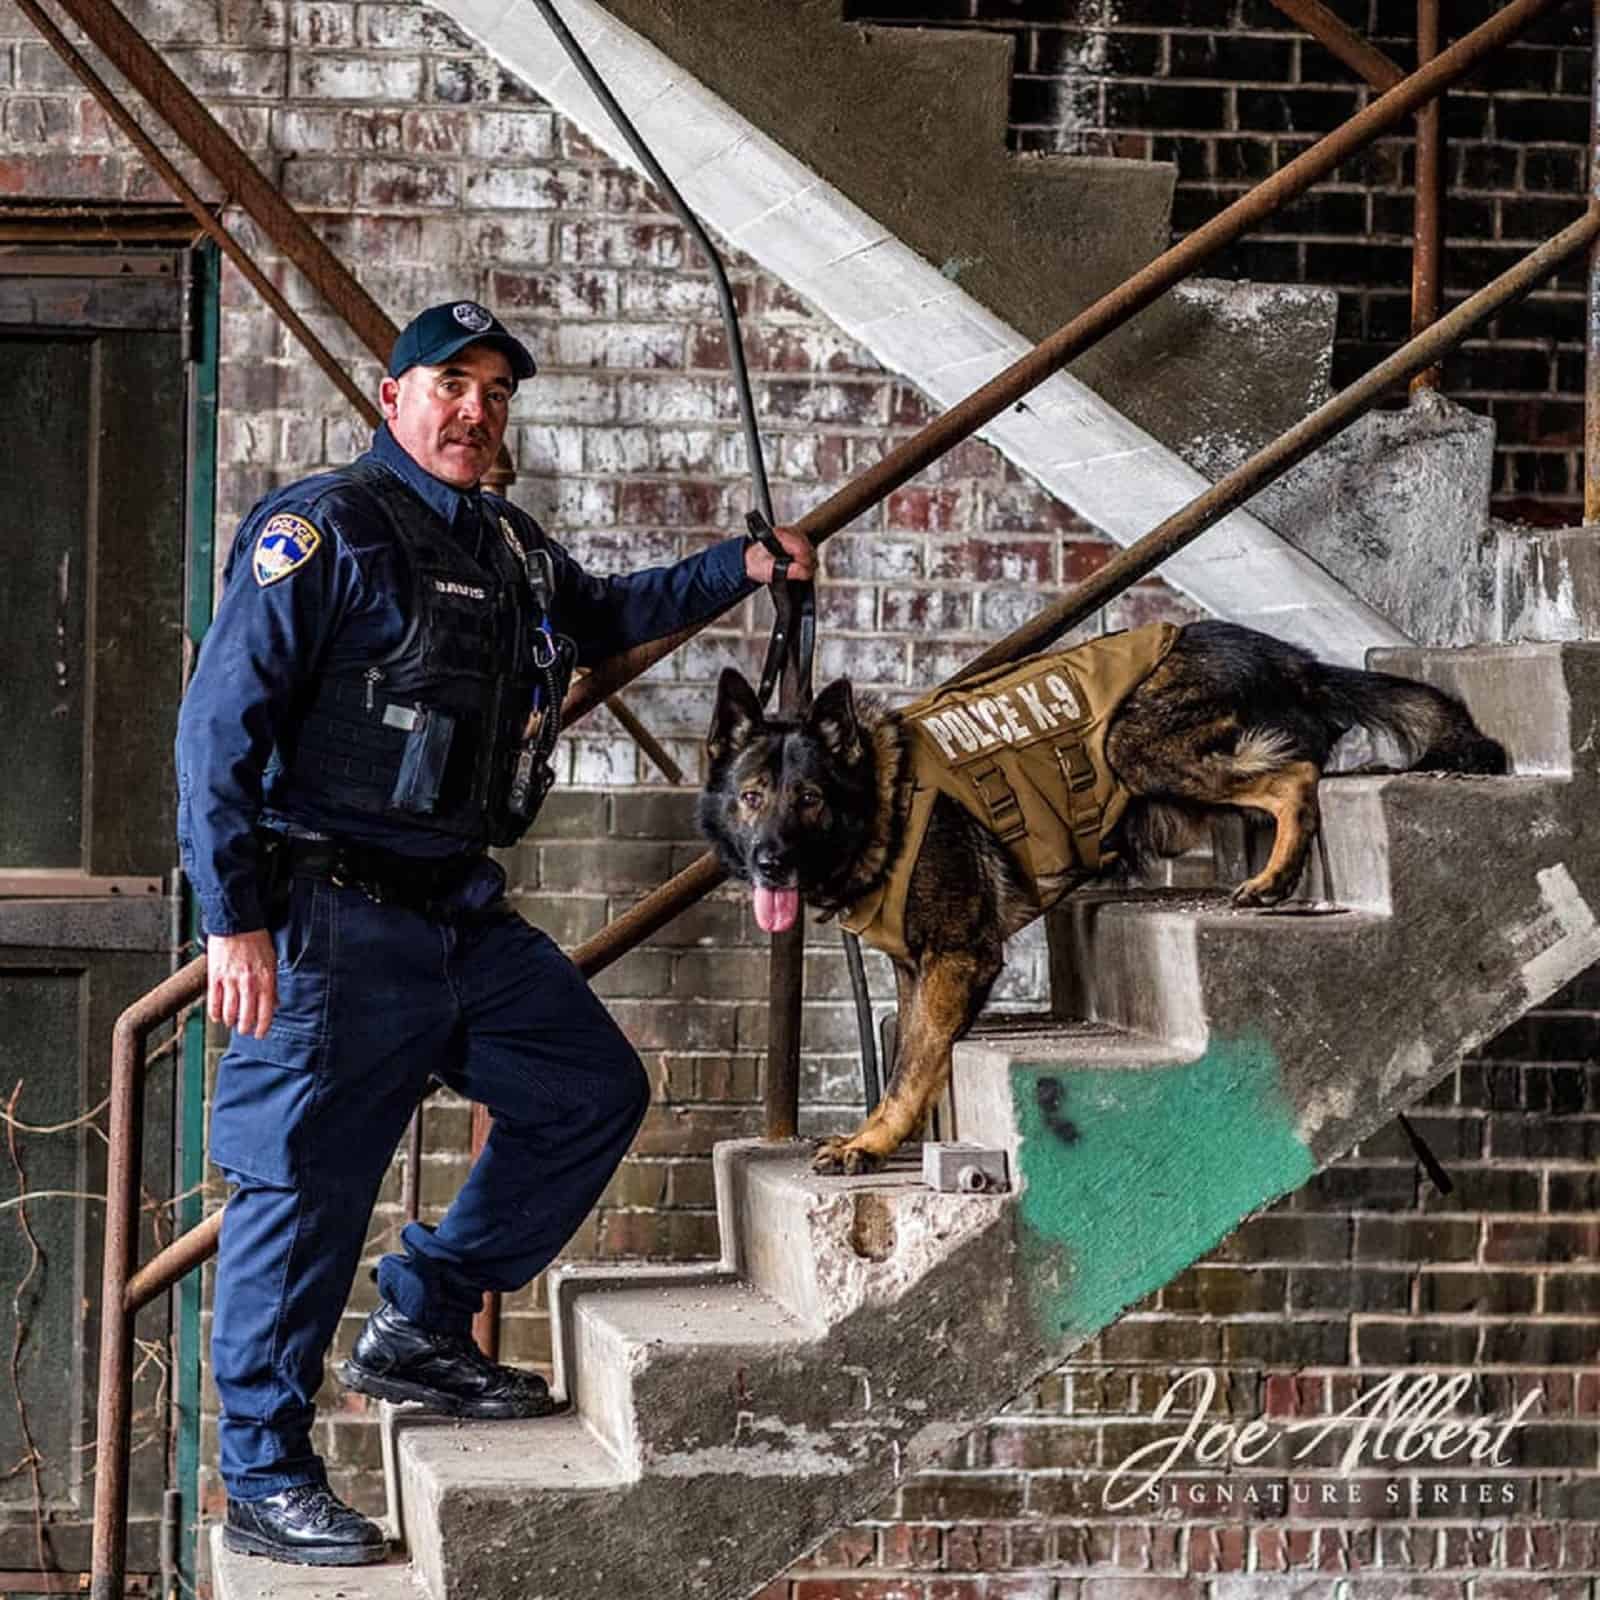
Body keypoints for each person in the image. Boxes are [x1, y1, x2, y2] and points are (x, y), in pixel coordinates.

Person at [177, 300, 814, 1567]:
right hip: (325, 921)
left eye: (496, 392)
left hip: (457, 914)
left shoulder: (509, 546)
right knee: (297, 1195)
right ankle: (262, 1472)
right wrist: (233, 922)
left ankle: (422, 1314)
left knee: (586, 1088)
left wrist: (738, 572)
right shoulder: (325, 530)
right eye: (450, 384)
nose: (476, 410)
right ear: (392, 393)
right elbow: (216, 733)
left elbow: (604, 611)